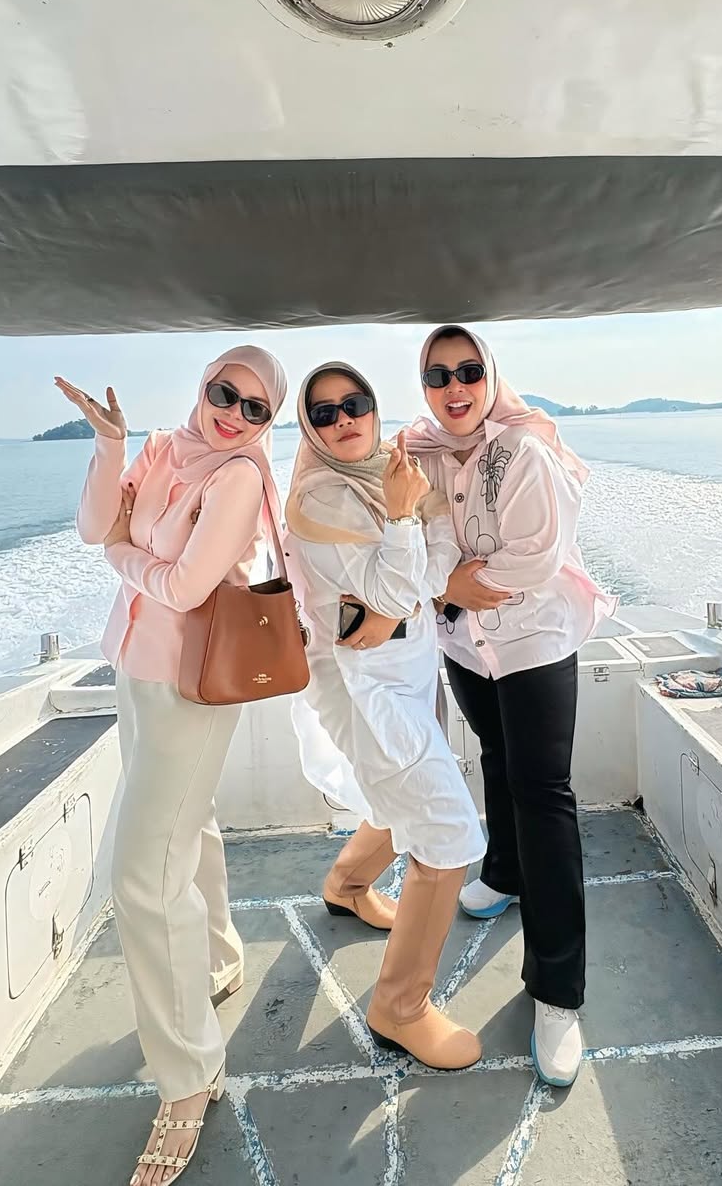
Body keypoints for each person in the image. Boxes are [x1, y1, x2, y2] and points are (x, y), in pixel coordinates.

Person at [57, 346, 287, 1186]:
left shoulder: (238, 477)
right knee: (190, 828)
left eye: (256, 408)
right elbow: (95, 526)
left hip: (194, 686)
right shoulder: (160, 449)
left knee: (142, 879)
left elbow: (186, 588)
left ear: (268, 421)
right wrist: (110, 447)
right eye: (225, 393)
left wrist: (125, 554)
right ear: (203, 386)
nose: (234, 415)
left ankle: (189, 1076)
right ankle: (220, 956)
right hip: (135, 667)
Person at [406, 326, 613, 1089]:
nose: (454, 388)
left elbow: (535, 557)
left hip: (533, 642)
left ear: (490, 377)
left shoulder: (524, 451)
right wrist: (442, 583)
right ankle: (503, 870)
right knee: (494, 757)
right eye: (438, 375)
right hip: (466, 646)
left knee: (543, 795)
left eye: (468, 371)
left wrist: (449, 580)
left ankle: (558, 995)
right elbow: (404, 542)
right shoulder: (417, 455)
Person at [285, 362, 486, 1070]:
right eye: (325, 412)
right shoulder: (322, 497)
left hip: (404, 667)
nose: (344, 419)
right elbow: (400, 587)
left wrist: (408, 563)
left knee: (394, 795)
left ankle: (345, 886)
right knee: (448, 835)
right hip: (366, 688)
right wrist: (403, 518)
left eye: (355, 404)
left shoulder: (384, 474)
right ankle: (399, 1006)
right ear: (310, 427)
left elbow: (429, 565)